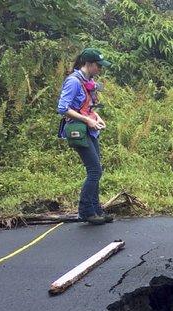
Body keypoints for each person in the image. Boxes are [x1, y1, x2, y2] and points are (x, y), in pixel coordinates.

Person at [58, 48, 113, 224]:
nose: (100, 70)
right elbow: (62, 108)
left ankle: (97, 210)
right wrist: (87, 121)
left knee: (97, 170)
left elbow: (88, 106)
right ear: (88, 64)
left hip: (90, 129)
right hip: (79, 129)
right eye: (98, 66)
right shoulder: (73, 82)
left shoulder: (88, 80)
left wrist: (97, 118)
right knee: (94, 171)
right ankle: (86, 211)